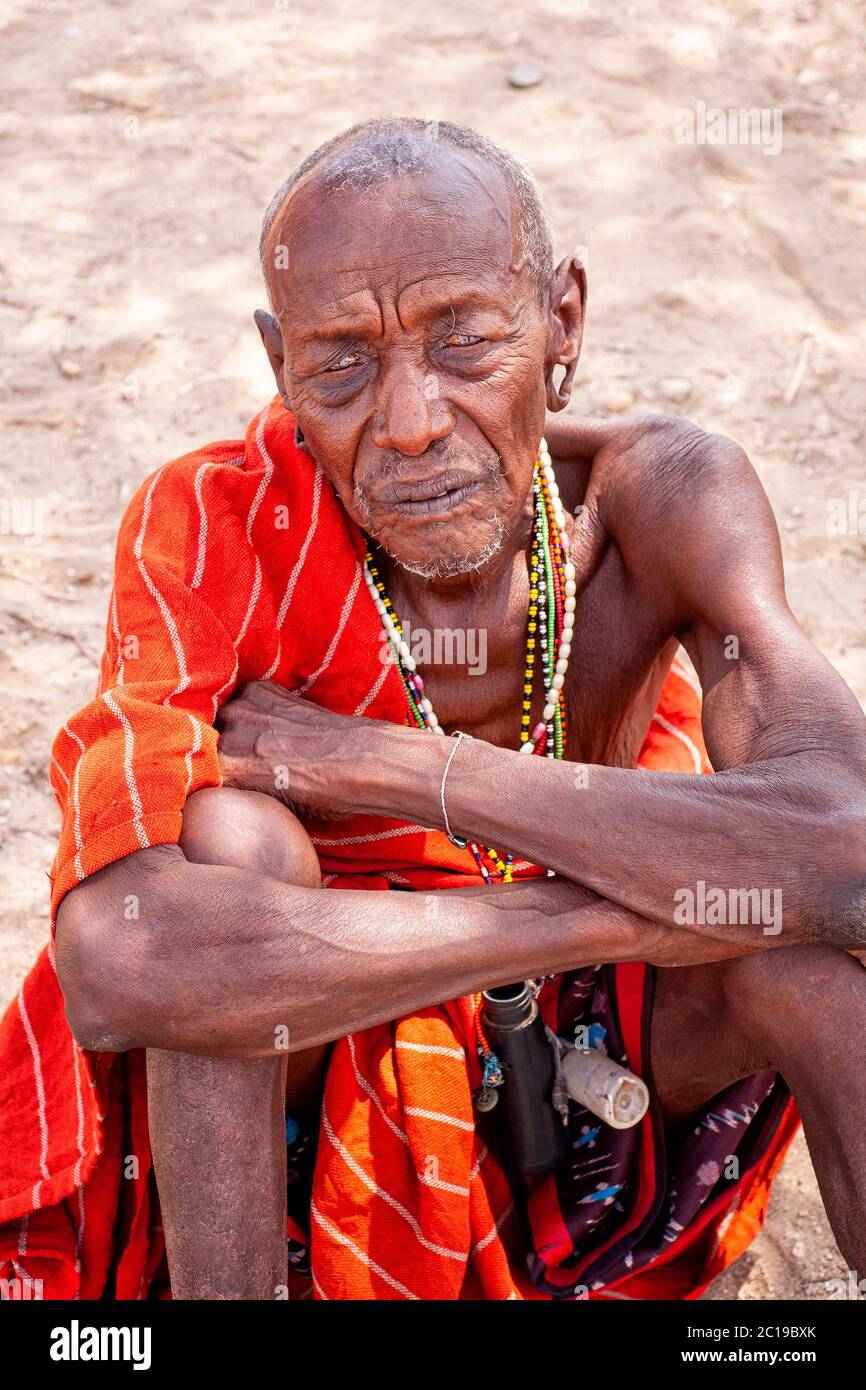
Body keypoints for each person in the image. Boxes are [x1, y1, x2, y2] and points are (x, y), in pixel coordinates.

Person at [1, 117, 864, 1301]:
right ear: (278, 362)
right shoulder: (213, 523)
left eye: (465, 339)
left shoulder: (654, 499)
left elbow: (844, 849)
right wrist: (609, 915)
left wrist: (405, 769)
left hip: (589, 1067)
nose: (407, 419)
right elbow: (116, 964)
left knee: (813, 975)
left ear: (561, 322)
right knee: (227, 841)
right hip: (317, 1024)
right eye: (341, 362)